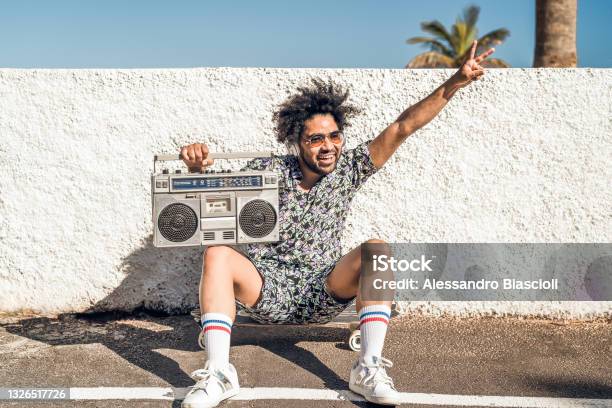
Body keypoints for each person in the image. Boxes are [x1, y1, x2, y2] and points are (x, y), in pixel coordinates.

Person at [179, 40, 495, 408]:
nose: (327, 146)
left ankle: (367, 368)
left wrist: (454, 82)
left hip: (324, 289)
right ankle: (219, 373)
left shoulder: (349, 170)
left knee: (376, 248)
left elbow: (403, 127)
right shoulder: (268, 171)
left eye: (334, 136)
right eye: (316, 139)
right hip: (266, 289)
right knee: (217, 252)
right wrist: (198, 170)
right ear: (297, 142)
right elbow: (212, 210)